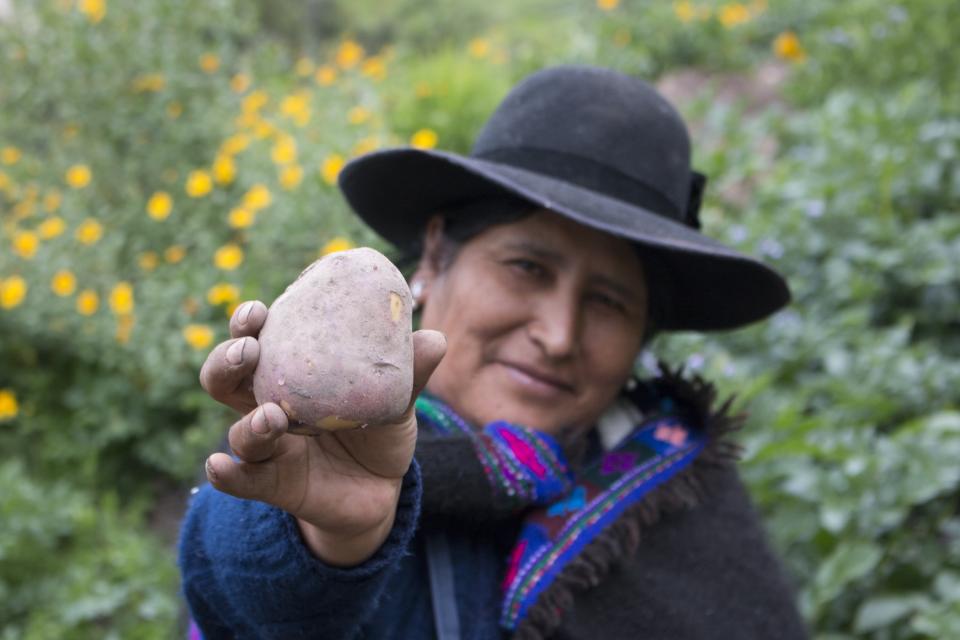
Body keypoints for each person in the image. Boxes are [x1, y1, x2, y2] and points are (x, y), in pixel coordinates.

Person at [179, 65, 808, 639]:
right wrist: (328, 535)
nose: (559, 336)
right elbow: (242, 598)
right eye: (527, 267)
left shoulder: (674, 482)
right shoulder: (324, 458)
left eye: (609, 302)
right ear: (433, 256)